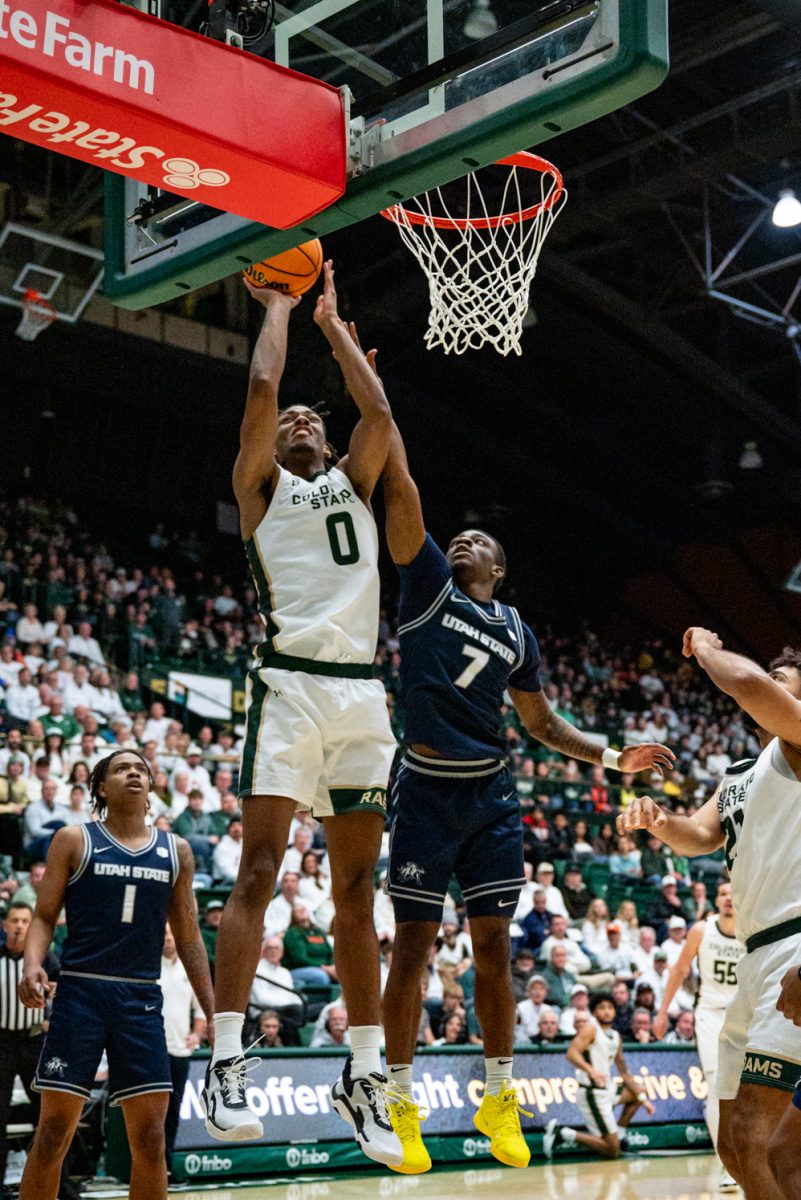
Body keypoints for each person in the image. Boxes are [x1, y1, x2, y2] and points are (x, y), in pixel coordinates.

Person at [378, 419, 673, 1174]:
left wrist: (611, 755)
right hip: (424, 794)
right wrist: (379, 411)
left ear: (499, 569)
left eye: (478, 542)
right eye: (459, 538)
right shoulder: (424, 585)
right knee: (410, 951)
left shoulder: (516, 629)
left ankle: (499, 1096)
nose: (463, 543)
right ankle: (400, 1101)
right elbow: (401, 486)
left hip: (490, 799)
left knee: (493, 953)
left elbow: (541, 723)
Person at [203, 266, 400, 1167]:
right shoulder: (261, 490)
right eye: (291, 424)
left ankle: (363, 1072)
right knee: (259, 872)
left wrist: (334, 325)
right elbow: (258, 387)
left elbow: (382, 421)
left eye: (310, 417)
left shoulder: (358, 486)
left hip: (362, 693)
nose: (301, 420)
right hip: (288, 684)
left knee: (359, 894)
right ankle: (226, 1059)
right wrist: (280, 310)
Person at [619, 635, 801, 1199]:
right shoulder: (738, 774)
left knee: (755, 1136)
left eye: (784, 680)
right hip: (754, 956)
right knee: (732, 1143)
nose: (771, 683)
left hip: (794, 945)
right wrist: (657, 819)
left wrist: (707, 649)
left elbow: (747, 684)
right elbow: (698, 836)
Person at [17, 749, 214, 1200]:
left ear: (151, 785)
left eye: (141, 769)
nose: (134, 773)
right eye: (122, 768)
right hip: (80, 993)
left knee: (150, 1139)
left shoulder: (175, 850)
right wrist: (32, 965)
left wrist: (216, 1014)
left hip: (141, 999)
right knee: (52, 1134)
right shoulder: (73, 839)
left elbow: (188, 938)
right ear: (101, 787)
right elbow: (44, 916)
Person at [544, 992, 655, 1160]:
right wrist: (592, 1071)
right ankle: (562, 1133)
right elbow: (572, 1053)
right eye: (602, 1008)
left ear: (615, 1012)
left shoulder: (616, 1036)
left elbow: (624, 1071)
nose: (606, 1011)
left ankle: (621, 1134)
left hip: (607, 1089)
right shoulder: (591, 1028)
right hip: (591, 1092)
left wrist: (643, 1099)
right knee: (613, 1151)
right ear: (594, 1012)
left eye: (610, 1008)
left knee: (640, 1090)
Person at [159, 924, 207, 1179]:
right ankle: (146, 1168)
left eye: (172, 932)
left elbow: (200, 1010)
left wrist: (197, 1034)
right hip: (153, 1050)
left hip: (180, 1052)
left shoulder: (189, 970)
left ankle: (166, 1167)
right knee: (152, 1112)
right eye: (164, 932)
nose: (168, 936)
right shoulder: (149, 966)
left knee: (173, 1111)